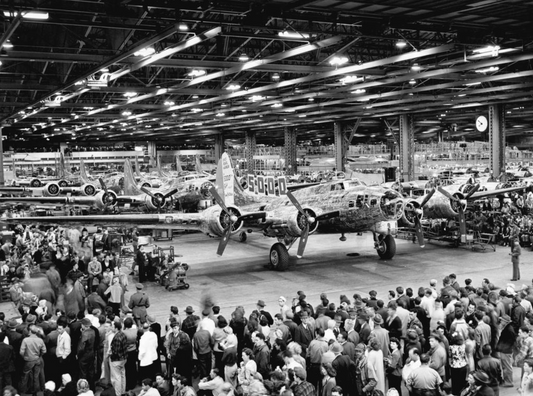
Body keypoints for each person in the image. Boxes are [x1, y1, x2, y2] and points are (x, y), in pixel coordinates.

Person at [19, 324, 47, 395]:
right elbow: (44, 351)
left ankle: (22, 391)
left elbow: (21, 352)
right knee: (36, 376)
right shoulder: (40, 340)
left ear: (30, 331)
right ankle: (36, 392)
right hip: (37, 360)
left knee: (25, 376)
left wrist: (24, 357)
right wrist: (39, 355)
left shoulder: (25, 340)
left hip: (28, 360)